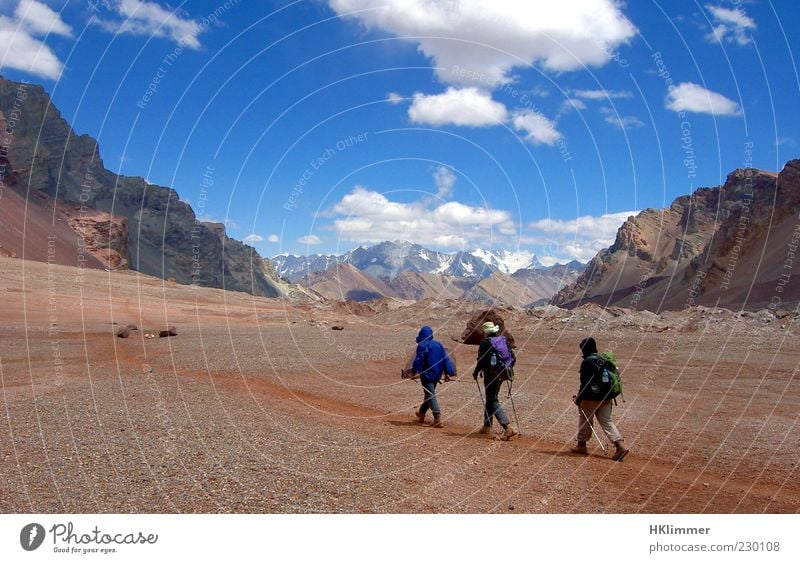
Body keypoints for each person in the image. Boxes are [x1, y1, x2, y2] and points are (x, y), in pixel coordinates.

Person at [572, 336, 629, 461]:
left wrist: (579, 398)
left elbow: (585, 383)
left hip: (591, 398)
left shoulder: (587, 362)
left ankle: (581, 446)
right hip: (607, 397)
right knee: (607, 421)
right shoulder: (603, 359)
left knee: (585, 419)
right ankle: (620, 446)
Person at [472, 322, 517, 440]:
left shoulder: (485, 343)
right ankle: (487, 425)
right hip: (502, 373)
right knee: (490, 397)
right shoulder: (502, 341)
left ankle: (507, 426)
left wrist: (476, 372)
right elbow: (513, 358)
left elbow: (481, 360)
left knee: (492, 399)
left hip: (490, 374)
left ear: (486, 332)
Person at [411, 326, 456, 428]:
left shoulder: (422, 345)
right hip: (437, 374)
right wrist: (448, 373)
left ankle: (437, 417)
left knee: (430, 394)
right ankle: (421, 413)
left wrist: (414, 372)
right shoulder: (438, 344)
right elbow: (445, 359)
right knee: (429, 394)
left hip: (427, 374)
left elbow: (418, 360)